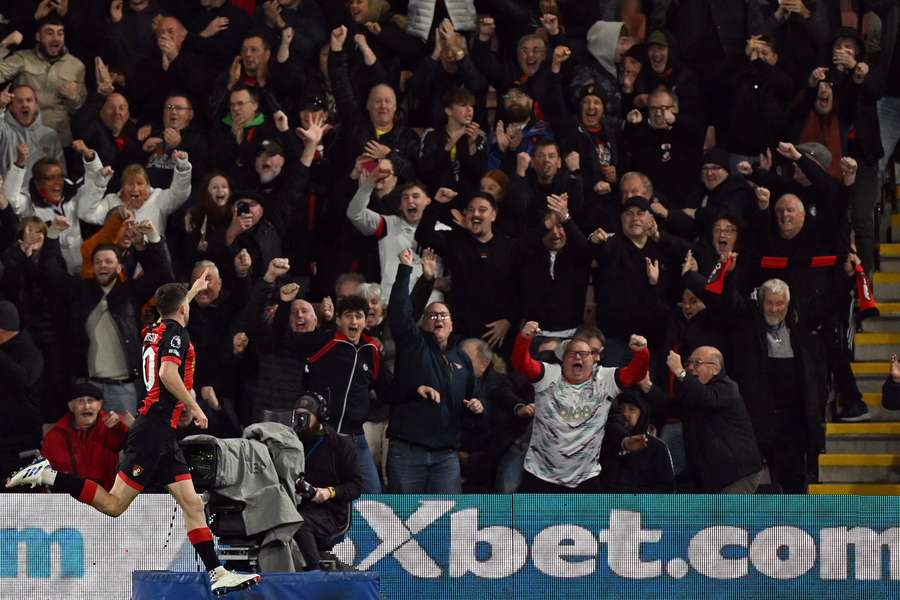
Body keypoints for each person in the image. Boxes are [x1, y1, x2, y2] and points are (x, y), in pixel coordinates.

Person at [5, 277, 261, 597]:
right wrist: (195, 407)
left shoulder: (153, 329)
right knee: (114, 505)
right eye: (187, 303)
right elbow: (168, 373)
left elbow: (172, 311)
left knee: (192, 504)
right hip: (153, 431)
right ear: (183, 309)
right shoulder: (176, 332)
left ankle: (217, 572)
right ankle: (48, 475)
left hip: (161, 432)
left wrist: (192, 291)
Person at [511, 321, 650, 492]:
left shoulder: (605, 380)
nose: (578, 357)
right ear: (562, 359)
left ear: (594, 359)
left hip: (585, 479)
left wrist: (641, 352)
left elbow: (636, 373)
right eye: (572, 353)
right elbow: (520, 363)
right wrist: (524, 338)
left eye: (584, 354)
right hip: (539, 475)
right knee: (526, 519)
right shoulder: (548, 375)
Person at [386, 249, 481, 493]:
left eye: (443, 315)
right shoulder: (413, 344)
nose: (438, 318)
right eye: (432, 315)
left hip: (446, 457)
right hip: (408, 452)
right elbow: (399, 311)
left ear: (452, 324)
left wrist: (477, 407)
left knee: (448, 523)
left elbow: (473, 398)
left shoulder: (462, 359)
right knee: (402, 523)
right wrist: (409, 271)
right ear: (423, 322)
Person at [665, 345, 764, 493]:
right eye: (688, 363)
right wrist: (648, 387)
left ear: (716, 368)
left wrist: (680, 372)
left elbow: (707, 398)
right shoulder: (694, 394)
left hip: (736, 473)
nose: (690, 368)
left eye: (697, 363)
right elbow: (669, 407)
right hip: (712, 475)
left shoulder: (727, 387)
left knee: (726, 515)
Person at [292, 392, 361, 571]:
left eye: (305, 416)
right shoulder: (290, 443)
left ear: (320, 417)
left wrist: (328, 492)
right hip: (296, 505)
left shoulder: (341, 445)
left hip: (330, 512)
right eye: (298, 415)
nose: (301, 421)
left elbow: (355, 486)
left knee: (298, 520)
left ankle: (315, 573)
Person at [0, 15, 86, 145]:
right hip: (22, 137)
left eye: (60, 33)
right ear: (38, 37)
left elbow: (79, 107)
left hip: (58, 139)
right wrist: (4, 45)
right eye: (49, 33)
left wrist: (73, 97)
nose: (56, 38)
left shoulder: (76, 66)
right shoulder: (23, 58)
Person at [41, 380, 133, 491]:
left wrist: (126, 427)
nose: (86, 406)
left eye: (91, 401)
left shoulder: (111, 427)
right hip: (68, 499)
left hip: (105, 497)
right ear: (71, 406)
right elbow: (45, 473)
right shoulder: (55, 435)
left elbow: (128, 444)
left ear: (99, 405)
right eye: (80, 401)